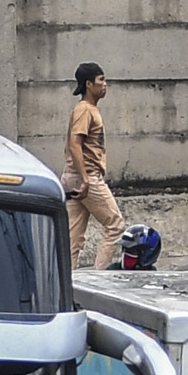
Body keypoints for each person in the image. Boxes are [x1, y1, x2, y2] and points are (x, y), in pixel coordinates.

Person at [65, 62, 121, 272]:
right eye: (101, 80)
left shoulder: (87, 110)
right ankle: (100, 278)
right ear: (89, 84)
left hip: (74, 176)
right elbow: (74, 144)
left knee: (73, 236)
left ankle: (68, 281)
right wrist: (86, 179)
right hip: (86, 177)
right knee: (116, 226)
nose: (105, 84)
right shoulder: (85, 110)